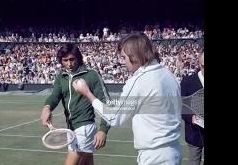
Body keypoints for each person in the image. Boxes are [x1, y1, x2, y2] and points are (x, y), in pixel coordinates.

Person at [72, 33, 183, 165]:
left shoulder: (140, 81)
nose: (123, 62)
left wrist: (88, 93)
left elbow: (114, 118)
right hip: (173, 151)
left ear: (134, 55)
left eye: (124, 57)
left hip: (154, 155)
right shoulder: (169, 76)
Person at [40, 44, 111, 165]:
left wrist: (103, 130)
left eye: (72, 59)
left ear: (78, 58)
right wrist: (47, 108)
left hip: (84, 127)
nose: (69, 64)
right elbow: (55, 96)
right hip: (71, 129)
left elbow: (106, 101)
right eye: (65, 60)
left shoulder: (91, 75)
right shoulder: (61, 77)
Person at [180, 48, 204, 165]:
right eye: (204, 66)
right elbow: (182, 107)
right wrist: (192, 118)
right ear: (199, 64)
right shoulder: (187, 81)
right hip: (194, 133)